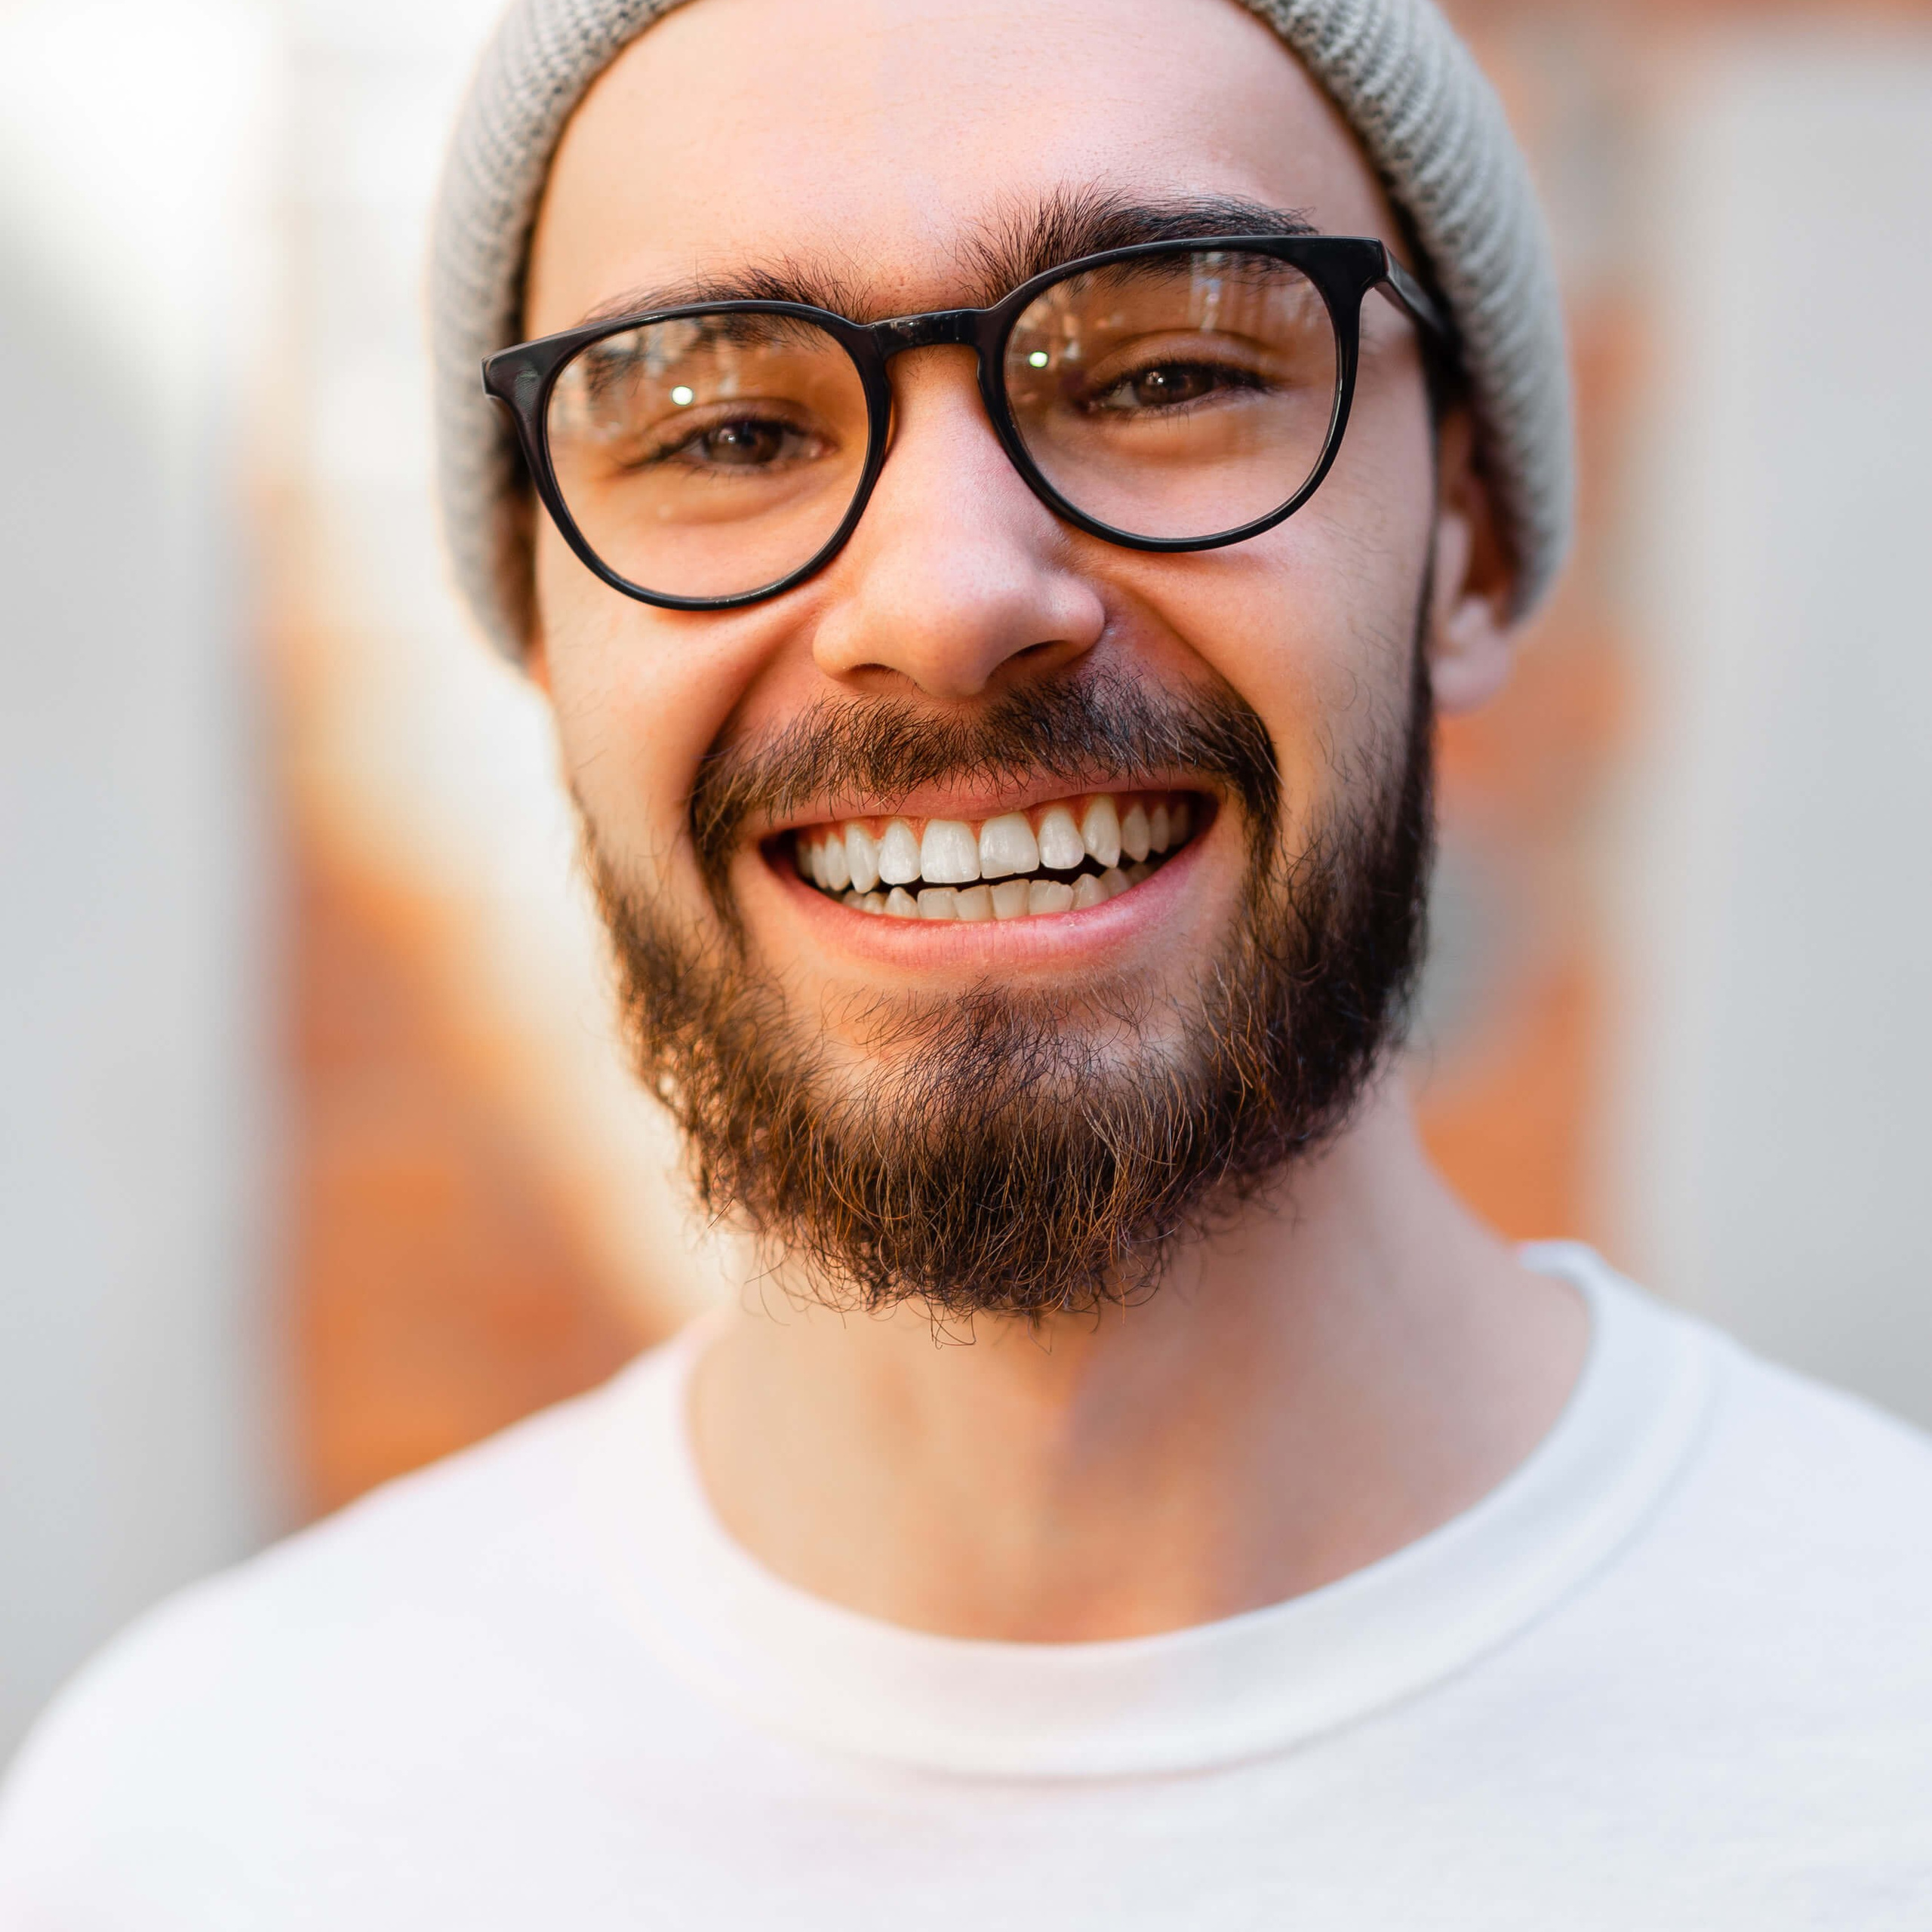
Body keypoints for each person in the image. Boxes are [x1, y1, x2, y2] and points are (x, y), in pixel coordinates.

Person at [3, 0, 1928, 1920]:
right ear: (541, 623)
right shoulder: (202, 1823)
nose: (941, 598)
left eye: (1165, 369)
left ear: (1472, 544)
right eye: (720, 424)